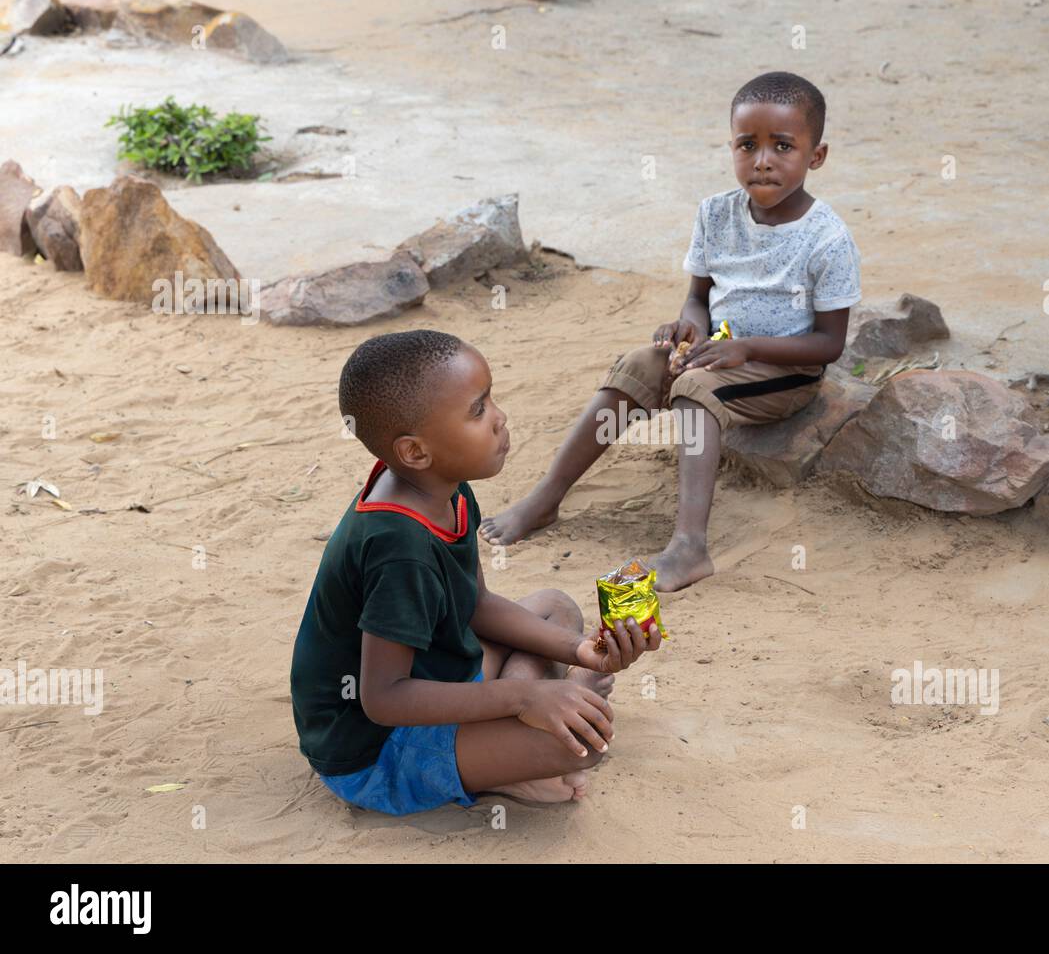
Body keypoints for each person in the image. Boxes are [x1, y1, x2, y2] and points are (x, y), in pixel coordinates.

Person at [480, 70, 863, 591]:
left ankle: (689, 545)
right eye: (747, 145)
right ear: (731, 146)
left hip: (784, 370)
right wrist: (690, 327)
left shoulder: (827, 238)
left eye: (783, 146)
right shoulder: (715, 214)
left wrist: (744, 348)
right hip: (719, 351)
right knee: (640, 363)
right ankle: (547, 496)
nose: (763, 160)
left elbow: (829, 344)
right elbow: (697, 297)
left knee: (693, 389)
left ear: (815, 156)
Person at [290, 330, 662, 814]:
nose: (500, 417)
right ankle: (521, 748)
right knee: (583, 745)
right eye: (478, 410)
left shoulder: (444, 488)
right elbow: (383, 698)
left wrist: (582, 653)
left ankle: (548, 702)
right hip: (374, 746)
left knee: (554, 606)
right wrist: (524, 697)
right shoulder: (398, 545)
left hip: (436, 679)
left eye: (491, 399)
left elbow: (479, 606)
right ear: (416, 451)